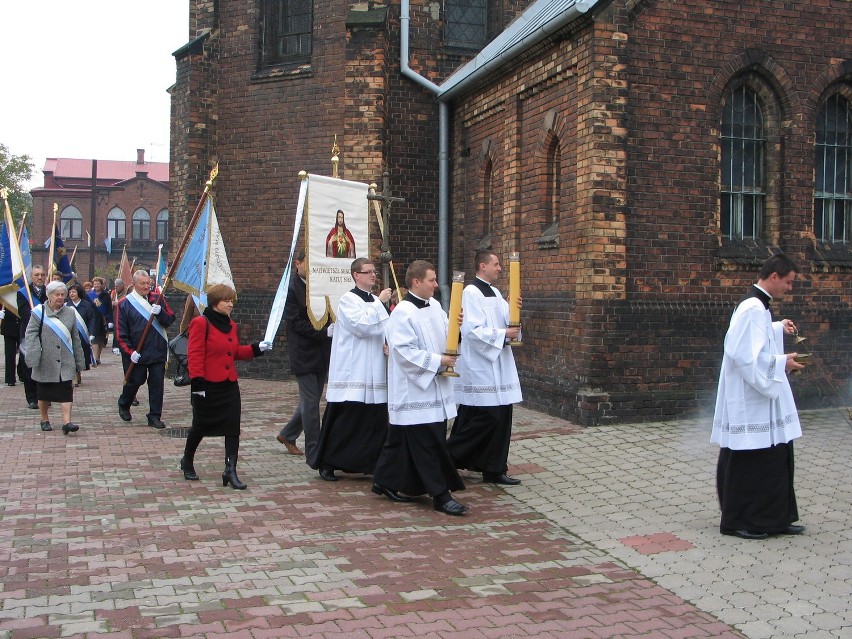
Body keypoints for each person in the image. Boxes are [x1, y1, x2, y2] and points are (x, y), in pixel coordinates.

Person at [711, 253, 806, 540]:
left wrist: (778, 328)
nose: (789, 288)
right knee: (749, 457)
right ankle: (738, 521)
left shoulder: (760, 307)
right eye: (788, 282)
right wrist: (781, 363)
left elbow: (756, 340)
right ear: (774, 276)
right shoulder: (752, 308)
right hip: (749, 398)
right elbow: (740, 354)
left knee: (777, 451)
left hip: (761, 397)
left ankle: (774, 518)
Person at [371, 260, 468, 515]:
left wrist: (456, 329)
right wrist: (438, 362)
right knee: (429, 443)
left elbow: (447, 335)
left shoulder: (434, 306)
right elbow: (403, 352)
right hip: (414, 389)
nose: (437, 285)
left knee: (404, 440)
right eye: (432, 280)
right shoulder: (402, 312)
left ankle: (384, 479)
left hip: (433, 385)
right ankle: (440, 495)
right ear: (416, 282)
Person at [180, 284, 272, 489]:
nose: (231, 304)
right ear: (215, 303)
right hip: (206, 384)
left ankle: (230, 469)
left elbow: (234, 352)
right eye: (227, 301)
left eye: (232, 301)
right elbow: (194, 355)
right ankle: (187, 460)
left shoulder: (231, 325)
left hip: (229, 384)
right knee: (200, 425)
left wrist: (257, 349)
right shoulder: (200, 323)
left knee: (232, 428)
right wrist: (197, 384)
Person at [447, 250, 524, 486]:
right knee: (485, 418)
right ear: (482, 266)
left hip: (499, 365)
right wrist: (503, 334)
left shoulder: (496, 293)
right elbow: (471, 330)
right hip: (480, 365)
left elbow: (508, 324)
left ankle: (494, 468)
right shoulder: (470, 293)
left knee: (500, 416)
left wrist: (513, 311)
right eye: (496, 264)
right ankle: (447, 457)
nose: (500, 268)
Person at [313, 258, 392, 482]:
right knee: (346, 419)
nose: (373, 276)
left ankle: (370, 462)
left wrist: (388, 342)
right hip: (354, 369)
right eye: (368, 272)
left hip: (374, 367)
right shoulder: (348, 300)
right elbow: (362, 327)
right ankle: (328, 462)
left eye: (374, 272)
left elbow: (383, 328)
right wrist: (380, 304)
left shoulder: (375, 300)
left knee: (373, 418)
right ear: (356, 275)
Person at [276, 250, 333, 463]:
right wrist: (323, 331)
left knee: (311, 399)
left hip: (321, 353)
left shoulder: (319, 287)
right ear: (298, 264)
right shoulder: (291, 289)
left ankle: (288, 434)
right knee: (310, 404)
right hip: (303, 353)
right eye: (308, 263)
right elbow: (295, 322)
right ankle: (314, 451)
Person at [22, 280, 86, 434]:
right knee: (44, 393)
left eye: (62, 295)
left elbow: (75, 337)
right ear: (49, 296)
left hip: (65, 359)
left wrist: (79, 361)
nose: (60, 297)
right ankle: (44, 419)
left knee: (66, 391)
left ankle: (67, 422)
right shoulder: (39, 312)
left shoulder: (70, 312)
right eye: (57, 294)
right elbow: (30, 334)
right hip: (45, 359)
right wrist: (33, 353)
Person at [115, 270, 175, 429]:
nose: (146, 286)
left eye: (148, 283)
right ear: (134, 284)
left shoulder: (158, 299)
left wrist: (160, 313)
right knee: (135, 380)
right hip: (137, 351)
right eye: (142, 283)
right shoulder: (125, 303)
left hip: (157, 349)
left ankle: (154, 416)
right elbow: (120, 332)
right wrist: (129, 351)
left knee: (157, 384)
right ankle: (124, 403)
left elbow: (170, 319)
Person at [17, 265, 48, 409]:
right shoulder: (23, 293)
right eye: (37, 275)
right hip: (29, 334)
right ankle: (31, 398)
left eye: (42, 274)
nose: (40, 277)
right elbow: (25, 314)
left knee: (44, 366)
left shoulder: (50, 292)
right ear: (31, 276)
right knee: (29, 365)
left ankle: (43, 396)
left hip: (47, 333)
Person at [65, 283, 97, 386]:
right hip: (70, 335)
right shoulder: (66, 306)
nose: (71, 294)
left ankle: (78, 374)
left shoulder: (86, 305)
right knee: (71, 355)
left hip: (83, 336)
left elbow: (92, 320)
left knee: (80, 356)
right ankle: (74, 377)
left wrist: (92, 333)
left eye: (73, 292)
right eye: (70, 292)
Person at [88, 277, 112, 365]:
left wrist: (110, 320)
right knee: (94, 338)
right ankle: (95, 358)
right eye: (95, 284)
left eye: (98, 283)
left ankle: (98, 356)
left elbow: (109, 308)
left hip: (103, 320)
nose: (96, 285)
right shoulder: (90, 295)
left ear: (101, 285)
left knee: (101, 339)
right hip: (93, 319)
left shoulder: (106, 295)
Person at [1, 304, 20, 386]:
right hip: (8, 326)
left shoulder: (24, 292)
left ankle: (22, 374)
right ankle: (10, 378)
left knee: (24, 354)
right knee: (9, 354)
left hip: (22, 325)